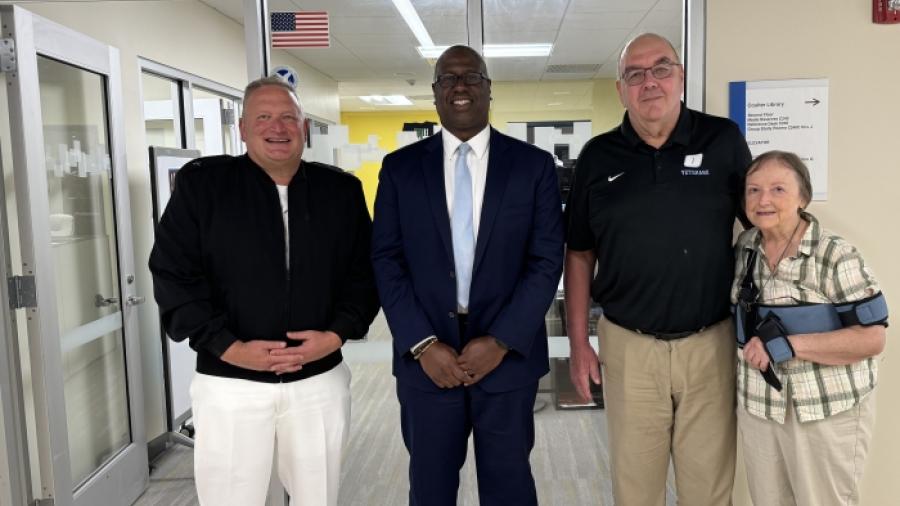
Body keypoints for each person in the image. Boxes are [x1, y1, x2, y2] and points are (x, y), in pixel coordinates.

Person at [149, 76, 379, 506]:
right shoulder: (203, 187)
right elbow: (172, 275)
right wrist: (228, 346)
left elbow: (364, 274)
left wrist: (335, 336)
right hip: (231, 385)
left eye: (289, 117)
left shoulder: (340, 192)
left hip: (318, 380)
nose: (278, 127)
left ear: (304, 126)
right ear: (242, 128)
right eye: (264, 117)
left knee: (318, 495)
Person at [371, 45, 564, 506]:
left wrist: (500, 341)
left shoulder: (532, 166)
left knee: (510, 486)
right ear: (435, 94)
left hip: (508, 359)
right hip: (427, 363)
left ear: (489, 90)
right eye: (448, 79)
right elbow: (386, 260)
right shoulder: (400, 170)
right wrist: (421, 344)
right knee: (432, 489)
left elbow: (545, 260)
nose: (460, 86)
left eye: (472, 76)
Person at [564, 32, 751, 505]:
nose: (650, 82)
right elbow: (580, 253)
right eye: (635, 74)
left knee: (708, 490)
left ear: (681, 77)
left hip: (710, 344)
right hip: (629, 348)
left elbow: (760, 228)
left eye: (661, 68)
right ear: (621, 88)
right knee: (635, 489)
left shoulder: (722, 140)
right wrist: (578, 341)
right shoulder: (598, 157)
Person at [732, 150, 887, 506]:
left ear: (803, 196)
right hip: (761, 409)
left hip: (825, 410)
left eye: (777, 189)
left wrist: (787, 345)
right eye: (753, 190)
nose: (763, 200)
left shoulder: (836, 255)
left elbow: (873, 337)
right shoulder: (746, 249)